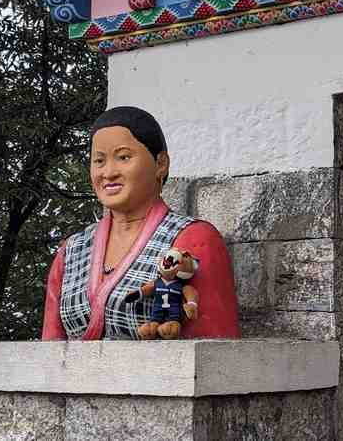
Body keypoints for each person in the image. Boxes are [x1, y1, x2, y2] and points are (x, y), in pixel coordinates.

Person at [41, 106, 240, 340]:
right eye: (99, 160)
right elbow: (50, 349)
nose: (108, 172)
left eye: (123, 157)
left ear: (160, 164)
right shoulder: (72, 251)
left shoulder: (194, 239)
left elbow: (212, 355)